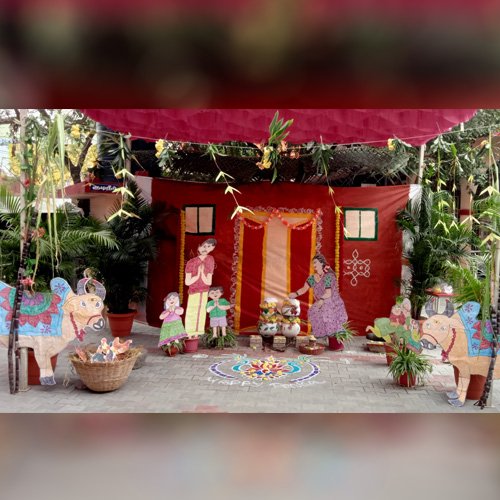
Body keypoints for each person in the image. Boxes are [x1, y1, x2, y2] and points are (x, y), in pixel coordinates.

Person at [289, 254, 347, 339]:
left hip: (332, 301)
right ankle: (320, 333)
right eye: (313, 263)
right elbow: (304, 289)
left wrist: (321, 300)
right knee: (312, 311)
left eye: (315, 262)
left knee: (325, 308)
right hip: (321, 301)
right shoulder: (313, 278)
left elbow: (328, 293)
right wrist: (295, 294)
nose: (314, 265)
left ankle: (335, 332)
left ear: (321, 263)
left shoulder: (328, 276)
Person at [184, 238, 217, 336]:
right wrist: (198, 275)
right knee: (192, 310)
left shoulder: (210, 260)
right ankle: (189, 332)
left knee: (201, 311)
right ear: (199, 247)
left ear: (212, 249)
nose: (205, 249)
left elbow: (209, 282)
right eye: (204, 246)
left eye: (209, 247)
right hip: (193, 290)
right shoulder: (191, 262)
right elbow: (187, 282)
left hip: (204, 290)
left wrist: (202, 274)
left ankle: (198, 333)